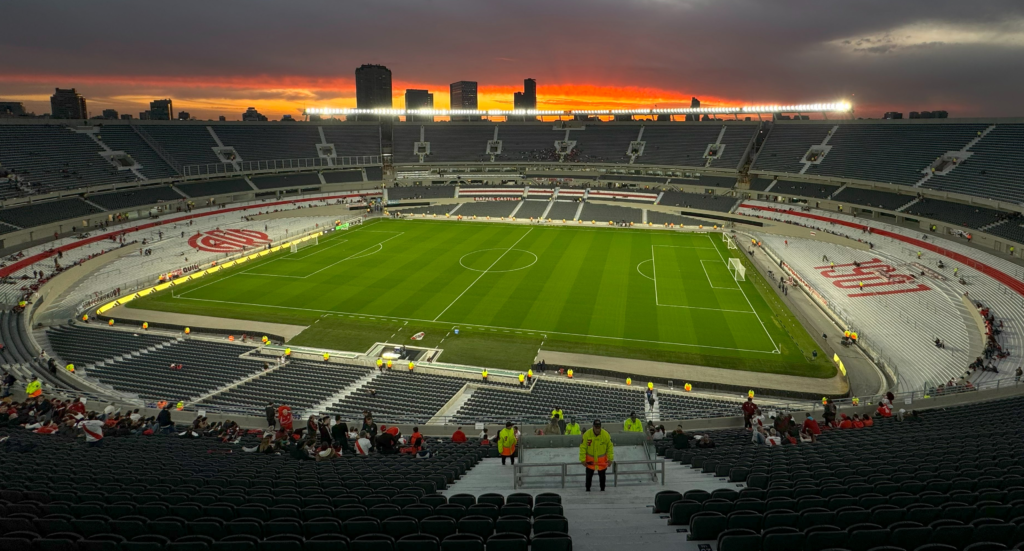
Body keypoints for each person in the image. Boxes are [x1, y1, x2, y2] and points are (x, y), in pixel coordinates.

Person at [579, 419, 614, 492]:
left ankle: (602, 490)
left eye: (599, 427)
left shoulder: (606, 435)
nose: (597, 429)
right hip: (590, 461)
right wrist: (582, 459)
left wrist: (610, 459)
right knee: (588, 477)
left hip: (601, 462)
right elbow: (583, 447)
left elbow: (610, 447)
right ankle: (587, 489)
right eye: (596, 427)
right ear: (593, 427)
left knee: (602, 477)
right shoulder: (587, 435)